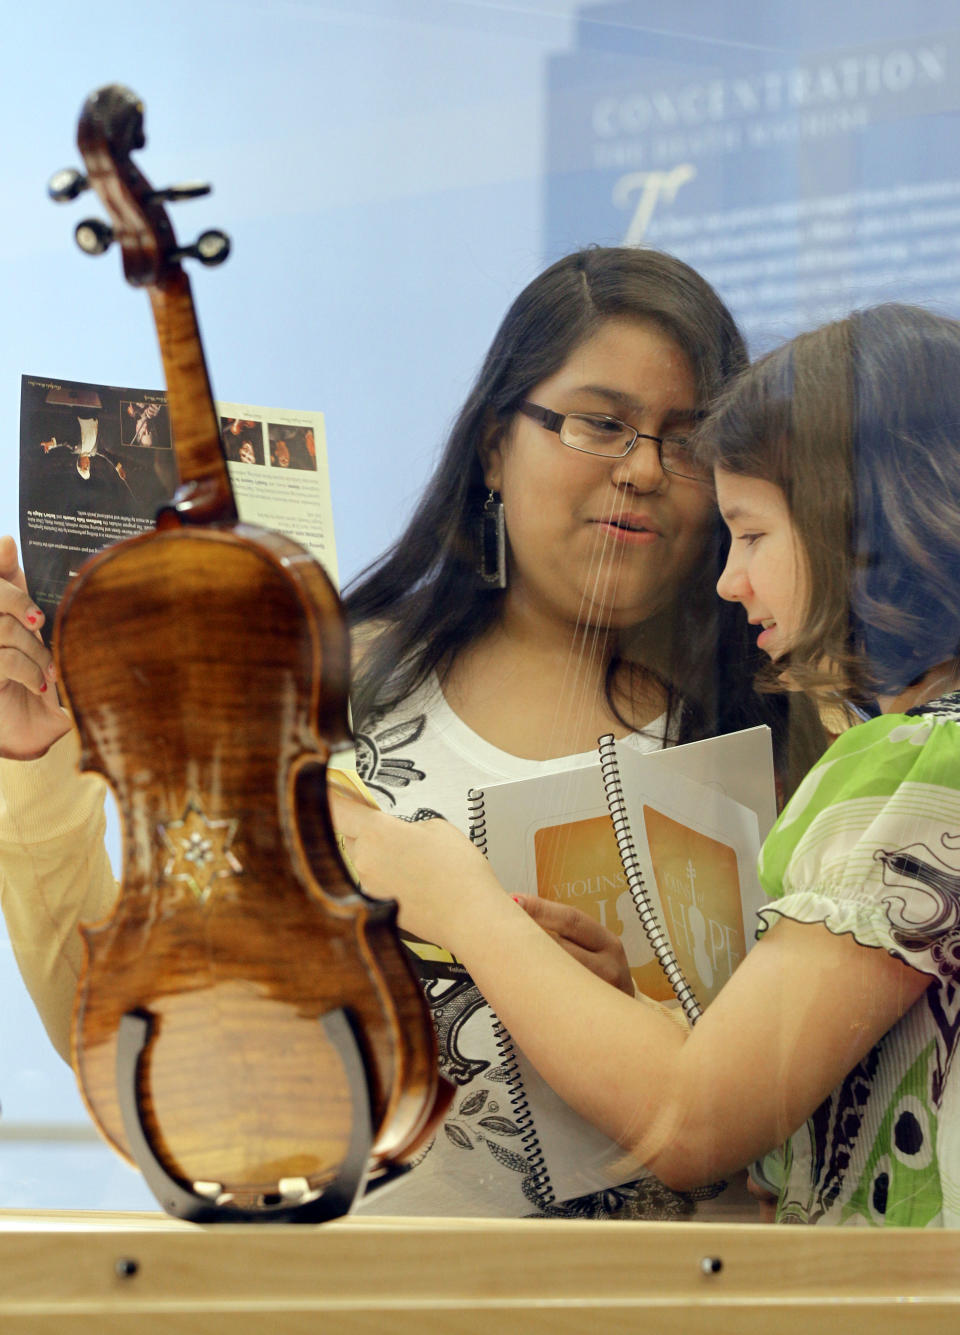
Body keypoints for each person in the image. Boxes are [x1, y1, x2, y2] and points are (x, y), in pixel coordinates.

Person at [0, 247, 810, 1221]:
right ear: (493, 449)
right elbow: (147, 1034)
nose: (641, 468)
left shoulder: (780, 735)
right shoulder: (320, 683)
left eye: (684, 440)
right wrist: (36, 772)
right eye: (601, 424)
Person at [335, 301, 960, 1227]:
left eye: (751, 534)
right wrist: (627, 1013)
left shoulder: (915, 759)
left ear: (853, 522)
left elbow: (694, 1119)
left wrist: (453, 896)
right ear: (494, 447)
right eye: (601, 424)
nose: (728, 577)